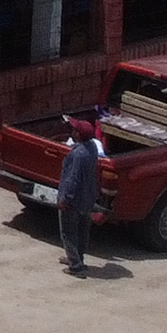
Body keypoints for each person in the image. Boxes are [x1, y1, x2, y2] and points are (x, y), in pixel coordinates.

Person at [57, 114, 108, 276]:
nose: (72, 131)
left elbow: (72, 180)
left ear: (79, 135)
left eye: (74, 130)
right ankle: (78, 257)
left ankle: (76, 266)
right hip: (88, 197)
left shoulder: (77, 155)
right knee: (82, 230)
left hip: (74, 199)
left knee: (68, 232)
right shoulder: (92, 148)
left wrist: (64, 199)